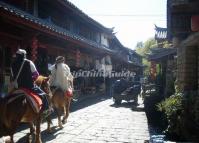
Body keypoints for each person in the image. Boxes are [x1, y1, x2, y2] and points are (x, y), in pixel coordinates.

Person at [10, 49, 51, 114]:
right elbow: (36, 75)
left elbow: (12, 77)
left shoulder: (13, 64)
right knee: (43, 95)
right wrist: (32, 80)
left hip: (18, 86)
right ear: (24, 55)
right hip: (29, 86)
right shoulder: (29, 62)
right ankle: (46, 111)